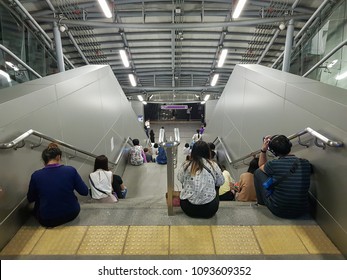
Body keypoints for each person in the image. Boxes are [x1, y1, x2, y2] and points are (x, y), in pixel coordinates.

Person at [27, 143, 89, 227]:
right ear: (58, 157)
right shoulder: (70, 171)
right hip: (72, 213)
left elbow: (30, 198)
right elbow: (84, 192)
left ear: (44, 159)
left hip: (48, 220)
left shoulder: (36, 175)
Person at [253, 134, 311, 218]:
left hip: (279, 210)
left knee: (258, 172)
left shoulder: (273, 164)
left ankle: (261, 203)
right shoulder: (305, 163)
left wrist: (263, 150)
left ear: (274, 152)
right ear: (290, 145)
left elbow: (261, 165)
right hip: (302, 210)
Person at [177, 141, 225, 218]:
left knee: (185, 181)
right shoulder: (213, 165)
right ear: (207, 152)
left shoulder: (186, 165)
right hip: (210, 210)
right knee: (217, 185)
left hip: (188, 208)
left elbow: (180, 178)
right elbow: (221, 182)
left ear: (193, 152)